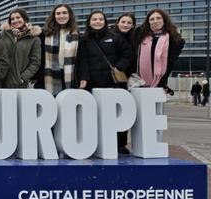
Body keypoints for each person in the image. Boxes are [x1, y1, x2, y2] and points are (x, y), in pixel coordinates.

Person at [77, 11, 133, 91]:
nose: (98, 21)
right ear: (89, 23)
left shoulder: (115, 37)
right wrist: (84, 77)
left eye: (101, 19)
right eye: (94, 19)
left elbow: (127, 55)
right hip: (92, 82)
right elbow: (83, 61)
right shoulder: (84, 41)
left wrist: (119, 67)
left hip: (112, 80)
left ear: (105, 22)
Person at [134, 9, 184, 95]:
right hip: (138, 81)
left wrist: (162, 83)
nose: (155, 21)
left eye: (158, 18)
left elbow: (169, 63)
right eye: (152, 19)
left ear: (164, 20)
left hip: (160, 82)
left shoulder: (174, 39)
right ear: (148, 22)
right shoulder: (139, 35)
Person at [39, 4, 80, 96]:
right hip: (50, 74)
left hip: (70, 74)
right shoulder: (45, 33)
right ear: (54, 16)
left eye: (64, 13)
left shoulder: (76, 34)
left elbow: (81, 58)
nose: (61, 16)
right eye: (58, 13)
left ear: (70, 15)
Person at [112, 12, 137, 152]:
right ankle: (111, 141)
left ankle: (121, 143)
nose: (125, 25)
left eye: (129, 23)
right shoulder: (111, 36)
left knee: (124, 113)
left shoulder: (136, 39)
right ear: (118, 23)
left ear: (133, 25)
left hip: (128, 80)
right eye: (123, 22)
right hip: (113, 77)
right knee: (112, 112)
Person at [1, 8, 42, 89]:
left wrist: (22, 78)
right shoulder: (4, 35)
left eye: (18, 17)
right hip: (1, 81)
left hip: (19, 83)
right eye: (12, 19)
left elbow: (35, 62)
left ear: (25, 19)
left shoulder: (34, 38)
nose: (15, 20)